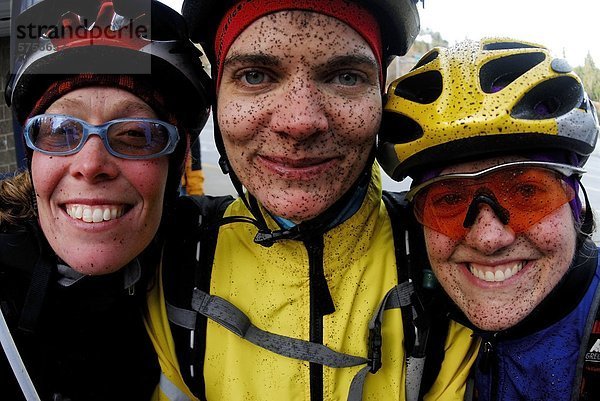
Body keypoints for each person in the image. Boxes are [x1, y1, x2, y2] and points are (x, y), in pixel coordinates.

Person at [143, 1, 479, 400]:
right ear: (216, 96)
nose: (299, 122)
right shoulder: (170, 260)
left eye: (345, 76)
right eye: (255, 75)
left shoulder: (450, 255)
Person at [0, 0, 211, 400]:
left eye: (135, 134)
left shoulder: (202, 264)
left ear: (175, 161)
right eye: (60, 131)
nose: (90, 163)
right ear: (33, 157)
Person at [377, 37, 600, 401]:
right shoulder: (413, 315)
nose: (488, 238)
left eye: (527, 193)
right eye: (449, 199)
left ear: (576, 202)